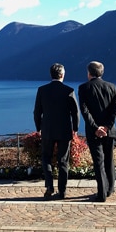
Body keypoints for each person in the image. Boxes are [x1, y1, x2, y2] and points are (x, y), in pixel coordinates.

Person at [33, 63, 80, 200]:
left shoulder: (42, 90)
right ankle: (62, 191)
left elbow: (37, 112)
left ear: (51, 74)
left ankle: (49, 186)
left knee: (46, 157)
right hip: (65, 130)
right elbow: (75, 113)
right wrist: (75, 129)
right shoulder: (69, 91)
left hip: (47, 130)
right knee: (63, 161)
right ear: (62, 75)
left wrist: (39, 128)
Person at [78, 61, 116, 202]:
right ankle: (110, 189)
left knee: (98, 162)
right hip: (109, 131)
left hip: (93, 132)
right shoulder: (112, 87)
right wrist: (107, 127)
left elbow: (85, 111)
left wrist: (96, 127)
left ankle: (101, 193)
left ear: (89, 73)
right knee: (109, 159)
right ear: (102, 72)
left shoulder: (83, 88)